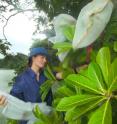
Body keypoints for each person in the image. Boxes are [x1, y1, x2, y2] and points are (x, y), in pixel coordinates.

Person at [0, 47, 62, 124]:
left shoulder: (46, 74)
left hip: (47, 118)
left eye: (45, 58)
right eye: (42, 57)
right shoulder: (22, 79)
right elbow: (14, 98)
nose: (45, 60)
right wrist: (4, 100)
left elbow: (58, 75)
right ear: (33, 58)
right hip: (29, 121)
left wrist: (73, 70)